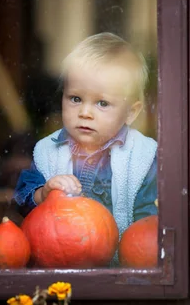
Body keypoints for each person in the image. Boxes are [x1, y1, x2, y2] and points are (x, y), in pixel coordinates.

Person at [14, 32, 157, 235]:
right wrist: (43, 194)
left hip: (122, 263)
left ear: (131, 113)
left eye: (102, 103)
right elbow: (21, 199)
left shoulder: (142, 156)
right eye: (75, 99)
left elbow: (149, 220)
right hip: (62, 257)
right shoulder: (48, 151)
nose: (85, 113)